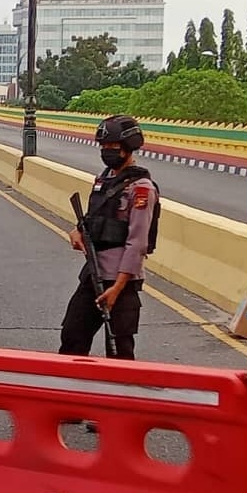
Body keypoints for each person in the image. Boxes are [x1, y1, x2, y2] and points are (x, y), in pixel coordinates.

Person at [59, 115, 159, 361]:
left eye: (112, 148)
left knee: (120, 352)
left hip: (120, 283)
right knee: (72, 337)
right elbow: (94, 219)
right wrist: (77, 232)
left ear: (128, 147)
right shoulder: (104, 181)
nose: (106, 152)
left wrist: (117, 288)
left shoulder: (141, 188)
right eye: (103, 147)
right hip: (93, 274)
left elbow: (137, 243)